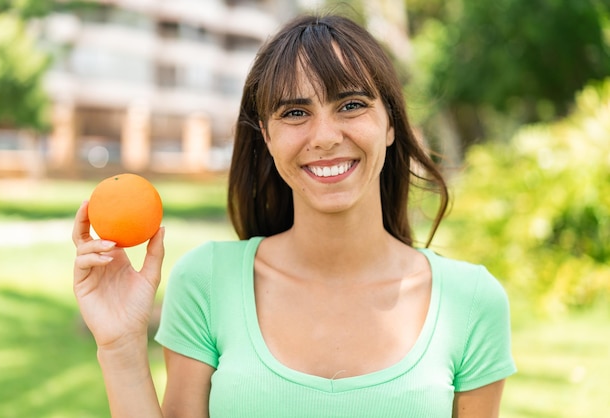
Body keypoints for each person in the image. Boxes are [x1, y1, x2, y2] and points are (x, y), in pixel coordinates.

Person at [72, 13, 516, 418]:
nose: (324, 137)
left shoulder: (471, 301)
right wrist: (120, 346)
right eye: (296, 112)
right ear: (266, 135)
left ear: (391, 124)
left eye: (351, 105)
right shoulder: (207, 281)